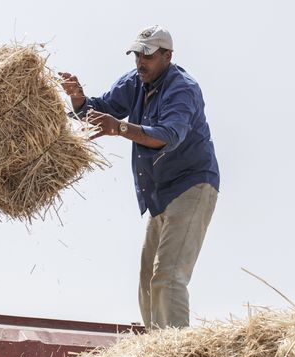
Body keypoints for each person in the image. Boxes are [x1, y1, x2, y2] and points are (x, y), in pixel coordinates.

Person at [61, 25, 220, 330]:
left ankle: (172, 355)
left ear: (167, 56)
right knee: (148, 282)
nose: (139, 61)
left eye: (147, 55)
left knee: (168, 276)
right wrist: (79, 99)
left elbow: (168, 136)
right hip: (160, 193)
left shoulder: (182, 88)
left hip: (192, 185)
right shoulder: (136, 82)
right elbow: (100, 111)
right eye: (136, 54)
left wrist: (119, 128)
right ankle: (154, 347)